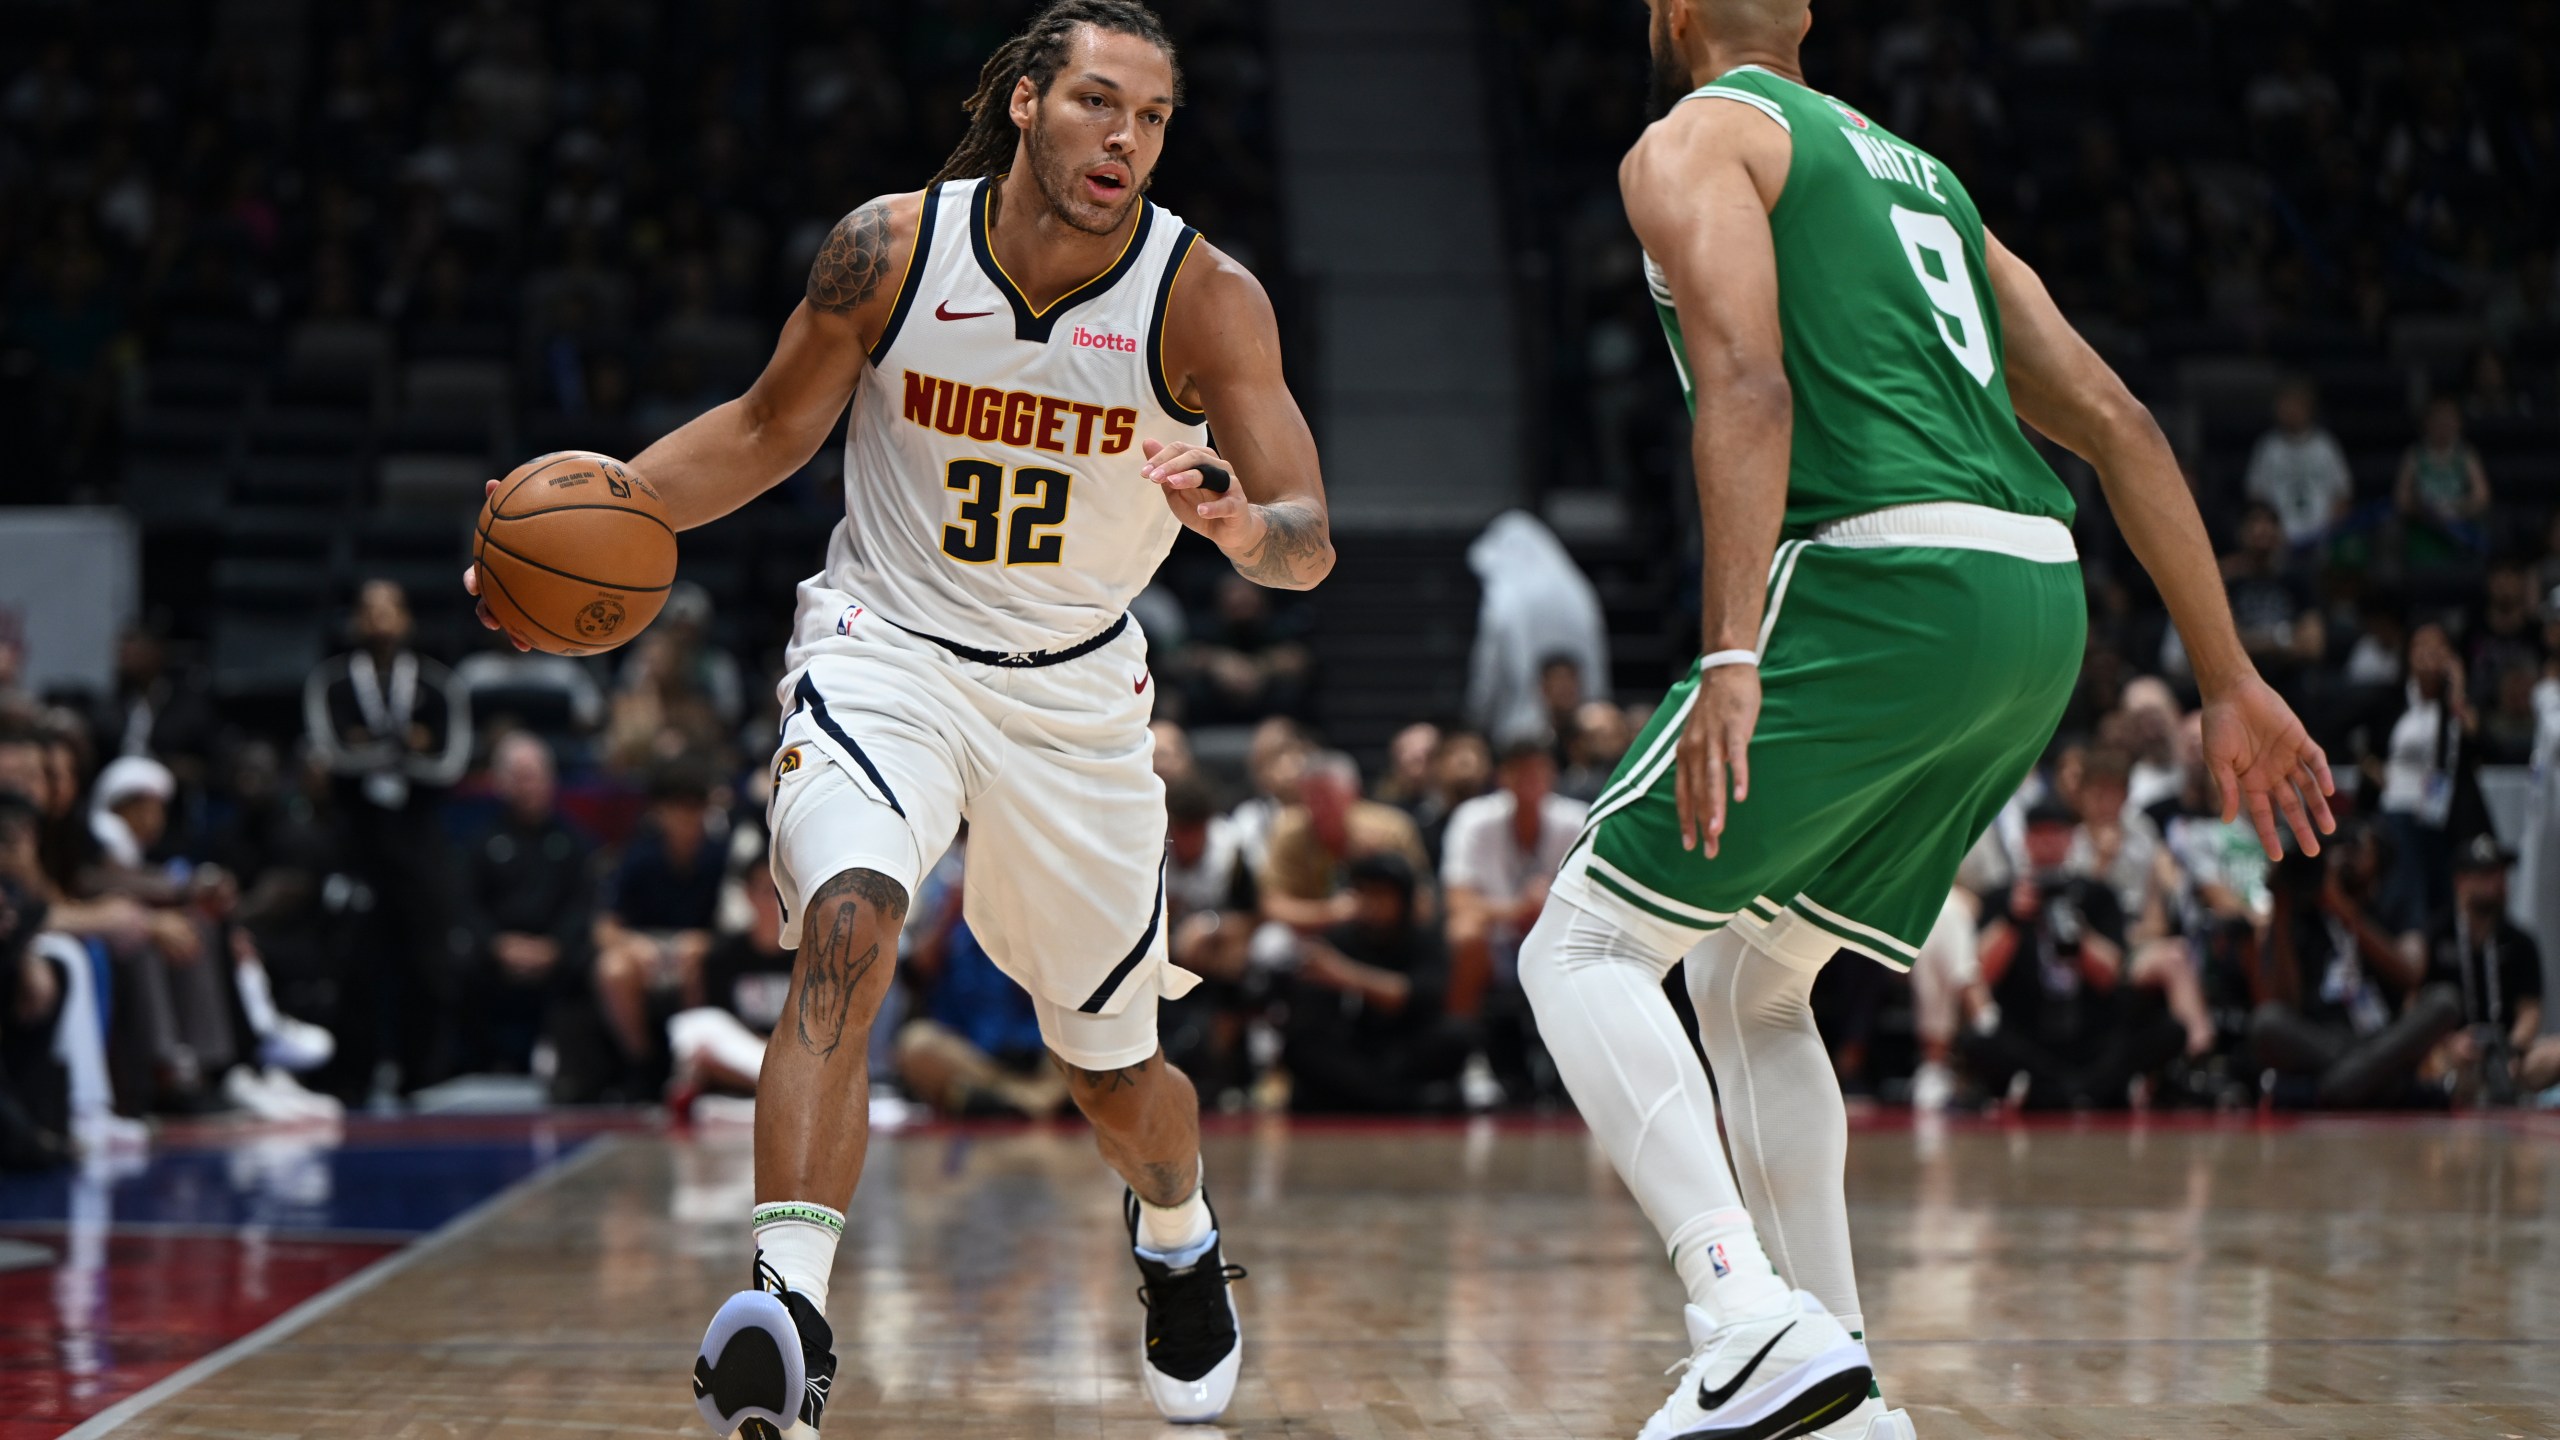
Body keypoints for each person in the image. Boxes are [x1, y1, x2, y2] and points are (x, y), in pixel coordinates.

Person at [464, 5, 1332, 1427]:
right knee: (849, 920)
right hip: (886, 649)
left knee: (1116, 1087)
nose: (1128, 137)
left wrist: (1243, 525)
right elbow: (759, 435)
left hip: (1071, 697)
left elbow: (1308, 537)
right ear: (1029, 104)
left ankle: (1178, 1235)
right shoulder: (890, 249)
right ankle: (789, 1312)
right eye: (1101, 103)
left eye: (1156, 115)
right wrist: (566, 524)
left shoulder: (1203, 296)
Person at [1514, 7, 2332, 1439]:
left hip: (1882, 572)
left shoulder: (1697, 135)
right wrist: (2228, 677)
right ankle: (1834, 1382)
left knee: (1580, 944)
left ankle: (1736, 1313)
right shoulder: (1925, 176)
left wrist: (1726, 653)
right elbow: (2122, 421)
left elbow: (1751, 384)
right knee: (1753, 986)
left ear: (1667, 14)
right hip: (2035, 603)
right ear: (1809, 15)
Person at [305, 578, 471, 1097]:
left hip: (419, 839)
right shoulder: (331, 682)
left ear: (407, 619)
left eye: (390, 608)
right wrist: (402, 745)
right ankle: (352, 1077)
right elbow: (331, 753)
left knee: (426, 962)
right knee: (355, 960)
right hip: (356, 838)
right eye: (369, 609)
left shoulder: (440, 683)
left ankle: (422, 1076)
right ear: (355, 621)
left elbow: (450, 762)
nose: (380, 619)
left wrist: (374, 745)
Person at [2252, 824, 2461, 1107]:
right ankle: (2376, 1083)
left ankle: (2337, 1088)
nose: (2341, 856)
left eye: (2354, 848)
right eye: (2335, 849)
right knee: (2267, 1021)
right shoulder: (2302, 910)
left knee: (2444, 1001)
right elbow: (2284, 999)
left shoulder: (2393, 905)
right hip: (2321, 1039)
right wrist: (2281, 907)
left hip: (2384, 1035)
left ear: (2379, 862)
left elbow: (2410, 974)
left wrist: (2341, 910)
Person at [1441, 739, 1587, 1100]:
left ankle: (1589, 1065)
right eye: (1520, 771)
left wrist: (1545, 911)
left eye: (1538, 770)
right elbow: (1458, 902)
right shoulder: (1473, 818)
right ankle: (1465, 1059)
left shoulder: (1576, 818)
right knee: (1464, 933)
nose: (1530, 780)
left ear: (1552, 775)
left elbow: (1596, 901)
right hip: (1497, 943)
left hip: (1559, 937)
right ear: (1502, 777)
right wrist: (1518, 909)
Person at [1280, 853, 1475, 1112]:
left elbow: (1419, 995)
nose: (1372, 904)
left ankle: (1371, 1097)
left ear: (1403, 899)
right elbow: (1312, 1017)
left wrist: (1345, 975)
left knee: (1457, 1035)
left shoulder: (1424, 939)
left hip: (1405, 1047)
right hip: (1353, 1048)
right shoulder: (1339, 939)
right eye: (1365, 893)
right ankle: (1408, 1100)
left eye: (1382, 895)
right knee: (1302, 1048)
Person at [455, 733, 594, 1076]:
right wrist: (497, 945)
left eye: (534, 776)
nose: (527, 786)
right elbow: (465, 903)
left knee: (590, 959)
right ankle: (469, 1065)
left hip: (556, 951)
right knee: (453, 958)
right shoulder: (482, 841)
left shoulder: (573, 841)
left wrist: (555, 947)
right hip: (498, 951)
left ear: (551, 780)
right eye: (518, 777)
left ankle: (573, 1063)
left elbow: (585, 903)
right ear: (500, 783)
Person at [592, 762, 725, 1076]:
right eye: (677, 809)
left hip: (701, 952)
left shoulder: (720, 856)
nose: (685, 819)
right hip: (649, 951)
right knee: (613, 969)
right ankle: (644, 1067)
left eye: (694, 809)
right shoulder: (638, 857)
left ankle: (695, 1069)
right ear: (660, 812)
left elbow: (739, 925)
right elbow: (605, 927)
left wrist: (707, 942)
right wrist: (634, 945)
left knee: (697, 962)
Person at [2415, 834, 2558, 1102]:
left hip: (2506, 1053)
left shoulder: (2520, 942)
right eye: (2486, 874)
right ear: (2461, 882)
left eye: (2501, 874)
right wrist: (2449, 1043)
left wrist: (2511, 1049)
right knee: (2429, 1064)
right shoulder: (2435, 935)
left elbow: (2530, 1010)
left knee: (2555, 1053)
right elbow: (2414, 1006)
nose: (2498, 883)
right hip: (2451, 1052)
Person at [1465, 511, 1610, 747]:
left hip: (1519, 725)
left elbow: (1488, 666)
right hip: (1581, 722)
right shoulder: (1579, 591)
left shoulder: (1505, 597)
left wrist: (1477, 716)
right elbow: (1596, 657)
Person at [1259, 752, 1433, 933]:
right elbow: (1273, 906)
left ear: (1352, 794)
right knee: (1272, 942)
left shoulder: (1393, 829)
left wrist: (1380, 864)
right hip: (1312, 935)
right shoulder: (1288, 831)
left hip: (1384, 934)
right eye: (1311, 798)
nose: (1318, 808)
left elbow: (1422, 904)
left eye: (1327, 798)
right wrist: (1331, 912)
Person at [2243, 378, 2352, 549]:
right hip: (2278, 544)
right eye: (2284, 404)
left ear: (2308, 407)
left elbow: (2343, 497)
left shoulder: (2325, 446)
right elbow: (2256, 497)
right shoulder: (2268, 448)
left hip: (2322, 541)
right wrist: (2272, 532)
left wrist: (2328, 533)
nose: (2290, 410)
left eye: (2295, 404)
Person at [2393, 395, 2491, 566]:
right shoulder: (2415, 455)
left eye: (2449, 419)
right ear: (2426, 423)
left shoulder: (2466, 455)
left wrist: (2456, 509)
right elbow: (2401, 500)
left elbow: (2482, 497)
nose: (2443, 424)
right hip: (2424, 526)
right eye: (2438, 419)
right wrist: (2425, 511)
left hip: (2459, 525)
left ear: (2459, 423)